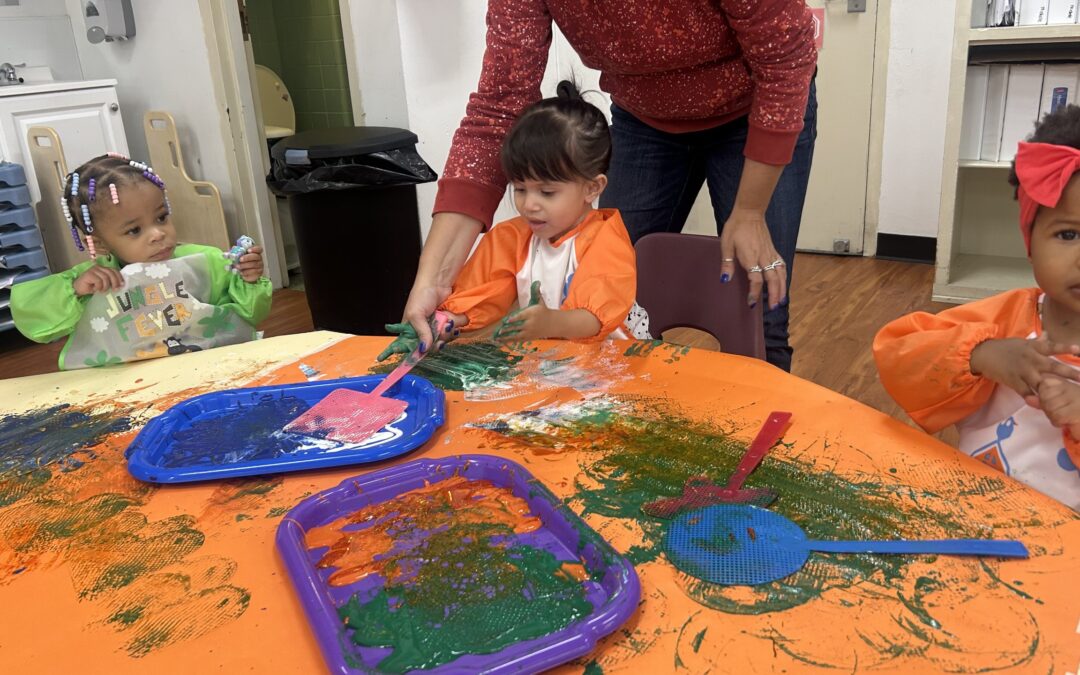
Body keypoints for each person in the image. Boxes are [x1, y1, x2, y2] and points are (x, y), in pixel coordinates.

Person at [399, 0, 818, 370]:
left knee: (760, 309)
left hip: (757, 109)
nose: (530, 203)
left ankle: (764, 445)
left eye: (545, 191)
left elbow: (786, 60)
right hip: (645, 119)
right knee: (627, 301)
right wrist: (434, 281)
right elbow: (499, 106)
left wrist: (749, 212)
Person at [873, 105, 1080, 511]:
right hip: (975, 517)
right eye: (1068, 233)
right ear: (1029, 240)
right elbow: (898, 353)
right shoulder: (1004, 319)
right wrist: (981, 355)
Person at [377, 81, 648, 362]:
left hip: (619, 357)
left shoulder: (606, 239)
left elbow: (594, 319)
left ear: (592, 188)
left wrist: (550, 323)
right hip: (558, 357)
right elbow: (485, 296)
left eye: (546, 192)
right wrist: (444, 322)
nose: (529, 204)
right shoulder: (512, 237)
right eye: (520, 188)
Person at [12, 154, 271, 370]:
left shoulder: (204, 263)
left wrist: (249, 280)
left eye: (161, 217)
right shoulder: (93, 281)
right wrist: (73, 291)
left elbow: (248, 315)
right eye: (134, 230)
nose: (158, 234)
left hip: (205, 370)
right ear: (100, 243)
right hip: (128, 389)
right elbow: (34, 321)